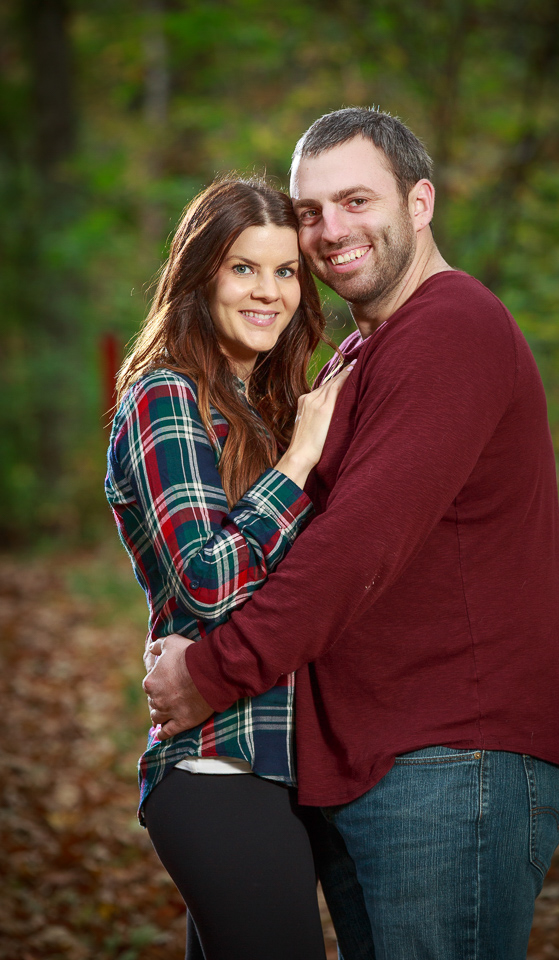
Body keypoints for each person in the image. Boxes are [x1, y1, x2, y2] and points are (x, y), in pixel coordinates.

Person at [143, 108, 559, 960]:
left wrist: (211, 670)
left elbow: (356, 547)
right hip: (371, 763)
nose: (329, 230)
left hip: (453, 756)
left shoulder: (451, 327)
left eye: (356, 201)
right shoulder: (359, 356)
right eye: (310, 211)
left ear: (420, 202)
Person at [105, 177, 352, 960]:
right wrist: (301, 460)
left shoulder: (264, 409)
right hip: (218, 765)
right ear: (201, 272)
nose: (269, 292)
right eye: (245, 268)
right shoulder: (164, 397)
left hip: (281, 770)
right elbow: (206, 582)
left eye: (285, 272)